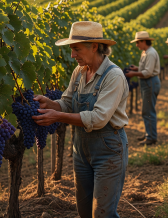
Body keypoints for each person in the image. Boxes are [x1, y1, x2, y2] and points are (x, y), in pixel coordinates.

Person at [32, 21, 129, 218]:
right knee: (84, 212)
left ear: (94, 46)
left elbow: (98, 119)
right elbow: (67, 102)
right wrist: (50, 104)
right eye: (71, 49)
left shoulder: (114, 76)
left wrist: (57, 116)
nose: (72, 55)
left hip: (108, 150)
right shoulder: (79, 72)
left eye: (76, 49)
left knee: (102, 214)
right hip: (81, 150)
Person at [125, 31, 161, 146]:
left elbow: (148, 72)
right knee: (146, 110)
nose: (137, 45)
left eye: (138, 42)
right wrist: (136, 68)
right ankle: (148, 134)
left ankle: (150, 137)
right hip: (147, 83)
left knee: (148, 111)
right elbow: (145, 68)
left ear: (144, 41)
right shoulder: (146, 52)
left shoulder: (150, 53)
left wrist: (133, 74)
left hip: (150, 82)